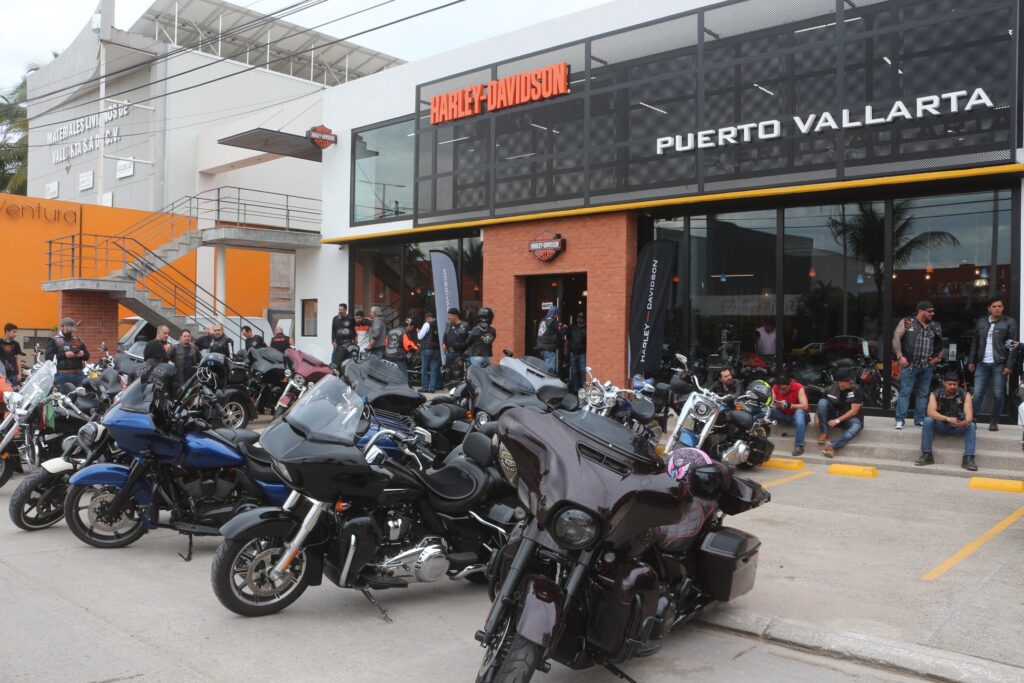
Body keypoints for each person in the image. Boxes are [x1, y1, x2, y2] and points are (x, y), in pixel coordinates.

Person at [967, 296, 1017, 431]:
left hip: (999, 363)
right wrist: (971, 360)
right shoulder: (981, 322)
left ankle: (994, 420)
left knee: (998, 394)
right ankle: (972, 419)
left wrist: (1009, 365)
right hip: (982, 363)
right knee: (978, 393)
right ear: (989, 308)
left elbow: (1013, 345)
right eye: (994, 306)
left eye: (999, 306)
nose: (997, 308)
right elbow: (975, 342)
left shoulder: (1009, 322)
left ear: (1003, 308)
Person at [892, 300, 944, 430]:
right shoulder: (907, 322)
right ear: (921, 311)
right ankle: (900, 420)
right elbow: (896, 338)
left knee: (923, 393)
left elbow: (942, 344)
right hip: (910, 364)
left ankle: (919, 419)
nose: (932, 313)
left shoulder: (935, 325)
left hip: (927, 365)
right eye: (930, 311)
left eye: (933, 311)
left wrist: (938, 357)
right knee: (905, 392)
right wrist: (900, 356)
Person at [918, 371, 977, 471]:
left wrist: (965, 421)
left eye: (955, 384)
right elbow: (930, 412)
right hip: (941, 425)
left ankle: (968, 458)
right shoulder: (935, 393)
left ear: (958, 383)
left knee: (971, 425)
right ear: (944, 383)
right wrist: (946, 418)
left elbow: (969, 414)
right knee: (928, 420)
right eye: (950, 384)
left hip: (958, 426)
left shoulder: (965, 394)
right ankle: (927, 454)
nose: (952, 386)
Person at [815, 368, 864, 457]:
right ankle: (824, 433)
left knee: (857, 425)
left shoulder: (857, 389)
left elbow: (854, 411)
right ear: (840, 382)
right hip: (833, 416)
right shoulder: (829, 389)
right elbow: (821, 405)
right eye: (848, 380)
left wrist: (837, 420)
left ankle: (832, 447)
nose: (851, 381)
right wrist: (816, 417)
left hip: (849, 418)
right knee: (822, 402)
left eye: (852, 379)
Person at [771, 373, 809, 456]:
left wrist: (790, 405)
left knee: (799, 412)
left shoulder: (798, 387)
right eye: (779, 389)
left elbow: (805, 406)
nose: (781, 391)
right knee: (768, 409)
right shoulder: (775, 387)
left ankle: (799, 446)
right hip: (783, 416)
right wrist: (775, 404)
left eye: (783, 389)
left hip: (797, 417)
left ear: (789, 385)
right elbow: (771, 403)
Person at [45, 317, 89, 388]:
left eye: (71, 329)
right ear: (62, 327)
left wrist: (82, 354)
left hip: (79, 374)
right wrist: (64, 355)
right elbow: (48, 357)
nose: (70, 331)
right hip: (62, 375)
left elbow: (87, 356)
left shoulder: (77, 339)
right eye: (68, 329)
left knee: (81, 394)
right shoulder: (53, 340)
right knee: (64, 395)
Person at [442, 307, 469, 380]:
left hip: (459, 354)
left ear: (455, 315)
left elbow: (469, 340)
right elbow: (445, 335)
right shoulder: (448, 324)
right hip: (449, 353)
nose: (448, 317)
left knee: (458, 373)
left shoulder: (465, 325)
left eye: (449, 315)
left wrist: (465, 353)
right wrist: (443, 343)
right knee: (448, 373)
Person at [417, 311, 441, 391]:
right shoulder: (439, 324)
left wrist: (418, 332)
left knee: (424, 368)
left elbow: (420, 337)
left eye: (426, 319)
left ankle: (425, 387)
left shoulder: (427, 324)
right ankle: (432, 387)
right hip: (437, 349)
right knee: (434, 369)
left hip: (427, 349)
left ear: (428, 318)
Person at [536, 307, 561, 373]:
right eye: (557, 314)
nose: (558, 315)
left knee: (543, 369)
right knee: (549, 371)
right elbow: (560, 333)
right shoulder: (553, 321)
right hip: (549, 348)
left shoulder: (543, 320)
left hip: (541, 347)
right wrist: (564, 328)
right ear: (554, 314)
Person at [567, 313, 587, 393]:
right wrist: (566, 352)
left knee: (583, 371)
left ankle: (584, 389)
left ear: (584, 319)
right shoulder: (572, 327)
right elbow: (567, 340)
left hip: (583, 353)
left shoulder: (586, 328)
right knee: (574, 372)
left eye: (581, 318)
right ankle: (576, 389)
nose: (579, 319)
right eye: (578, 318)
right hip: (574, 353)